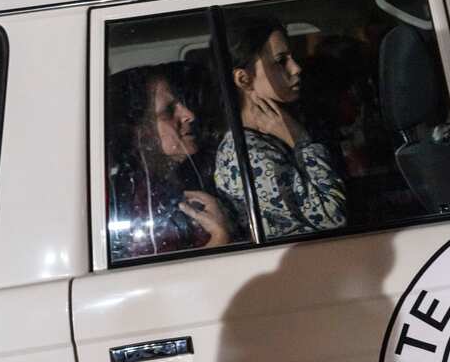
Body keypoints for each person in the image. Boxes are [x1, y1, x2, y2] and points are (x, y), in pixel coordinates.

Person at [215, 17, 346, 239]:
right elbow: (333, 218)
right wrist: (302, 142)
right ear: (244, 79)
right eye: (280, 61)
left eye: (292, 57)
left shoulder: (270, 137)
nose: (296, 68)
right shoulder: (250, 155)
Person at [108, 64, 234, 260]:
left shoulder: (184, 176)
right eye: (168, 111)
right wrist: (220, 236)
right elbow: (163, 282)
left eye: (180, 104)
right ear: (140, 131)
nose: (188, 115)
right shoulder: (139, 202)